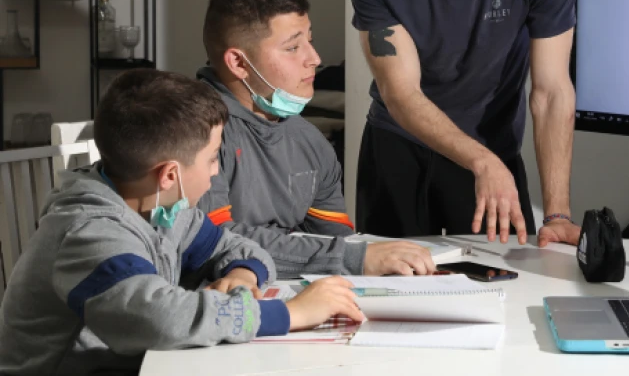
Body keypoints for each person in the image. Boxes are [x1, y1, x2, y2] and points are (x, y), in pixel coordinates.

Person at [0, 70, 364, 375]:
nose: (216, 171)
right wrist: (290, 313)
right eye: (212, 158)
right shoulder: (90, 232)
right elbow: (160, 319)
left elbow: (236, 247)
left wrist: (243, 275)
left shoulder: (163, 209)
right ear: (170, 175)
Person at [347, 0, 579, 247]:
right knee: (387, 281)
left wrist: (557, 213)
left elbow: (551, 91)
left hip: (492, 145)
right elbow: (400, 92)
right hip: (398, 143)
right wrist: (480, 161)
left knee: (506, 274)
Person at [197, 0, 434, 277]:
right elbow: (212, 241)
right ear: (238, 63)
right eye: (293, 47)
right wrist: (353, 258)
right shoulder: (193, 132)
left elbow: (335, 240)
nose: (314, 59)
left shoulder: (310, 140)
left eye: (310, 41)